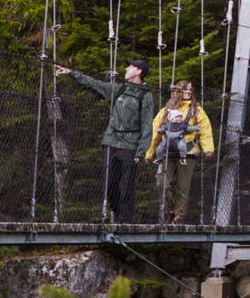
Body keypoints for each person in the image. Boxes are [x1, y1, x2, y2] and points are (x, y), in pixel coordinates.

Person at [54, 56, 155, 222]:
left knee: (127, 183)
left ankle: (125, 219)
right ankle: (116, 211)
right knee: (110, 183)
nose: (125, 69)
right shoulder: (120, 89)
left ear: (139, 71)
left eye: (129, 67)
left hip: (130, 146)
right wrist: (72, 73)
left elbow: (146, 125)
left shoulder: (145, 96)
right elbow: (94, 84)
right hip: (111, 142)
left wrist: (141, 150)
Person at [144, 79, 216, 222]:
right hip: (167, 152)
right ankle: (169, 210)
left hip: (187, 153)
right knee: (162, 183)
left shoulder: (197, 111)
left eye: (190, 90)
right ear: (178, 91)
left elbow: (205, 130)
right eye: (185, 89)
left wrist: (208, 148)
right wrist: (149, 152)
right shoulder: (165, 111)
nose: (189, 92)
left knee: (183, 186)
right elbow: (155, 133)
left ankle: (178, 217)